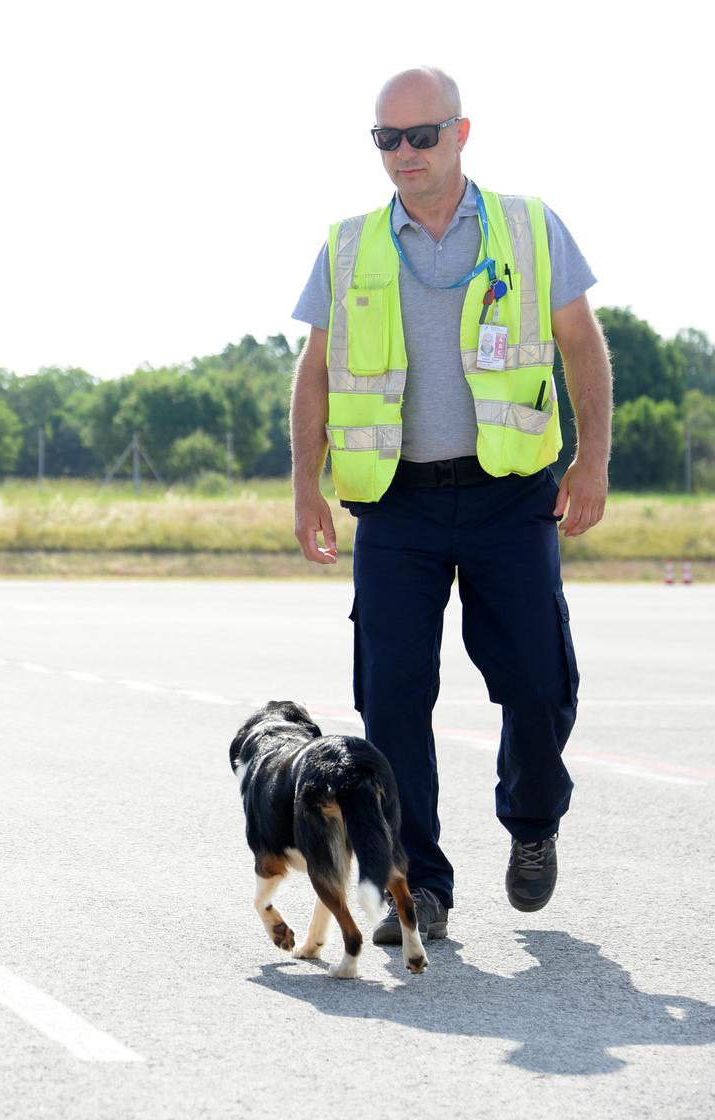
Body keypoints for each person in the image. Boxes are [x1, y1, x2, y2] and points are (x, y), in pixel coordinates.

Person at [289, 67, 613, 944]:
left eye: (420, 137)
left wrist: (591, 464)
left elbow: (581, 344)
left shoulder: (529, 228)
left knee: (539, 684)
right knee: (391, 700)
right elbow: (315, 370)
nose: (403, 155)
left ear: (462, 134)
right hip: (395, 504)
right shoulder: (350, 243)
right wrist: (305, 485)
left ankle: (534, 821)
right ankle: (416, 883)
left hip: (513, 497)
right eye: (385, 141)